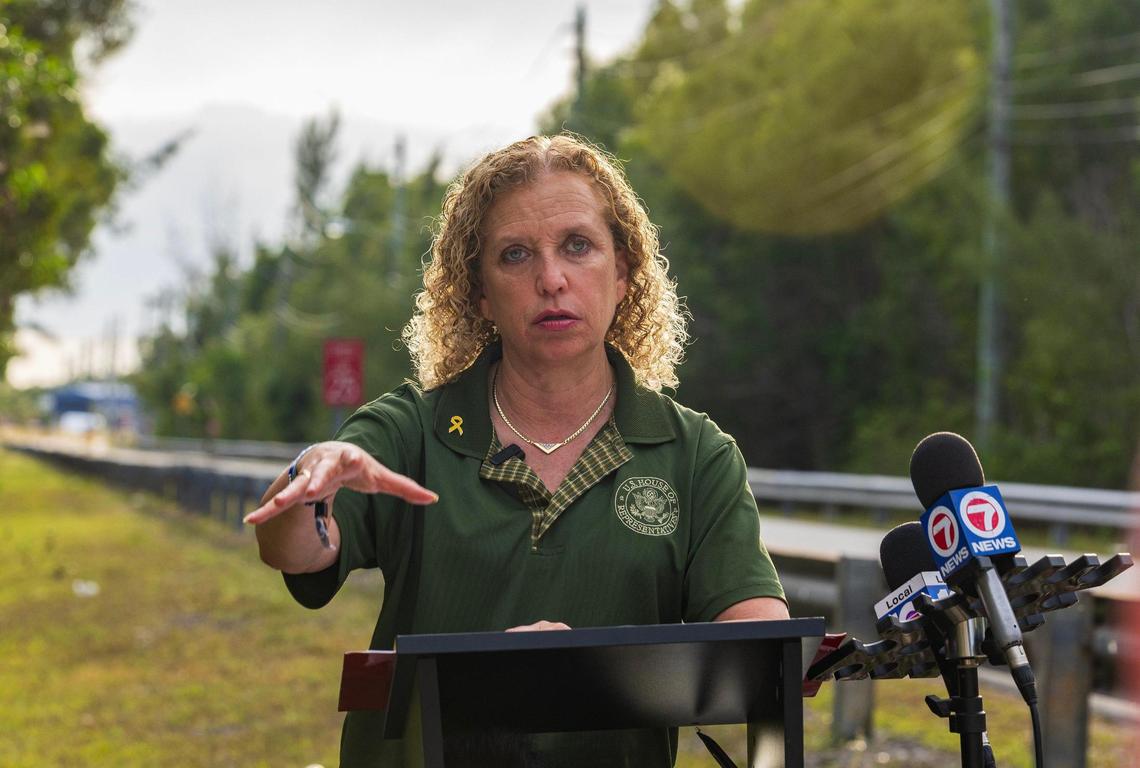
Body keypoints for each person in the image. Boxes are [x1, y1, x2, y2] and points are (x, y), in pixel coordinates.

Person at [245, 134, 789, 767]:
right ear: (478, 293)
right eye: (515, 255)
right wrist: (306, 481)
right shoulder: (409, 432)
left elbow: (760, 646)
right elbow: (295, 551)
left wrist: (578, 671)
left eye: (577, 246)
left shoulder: (696, 455)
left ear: (622, 274)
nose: (551, 279)